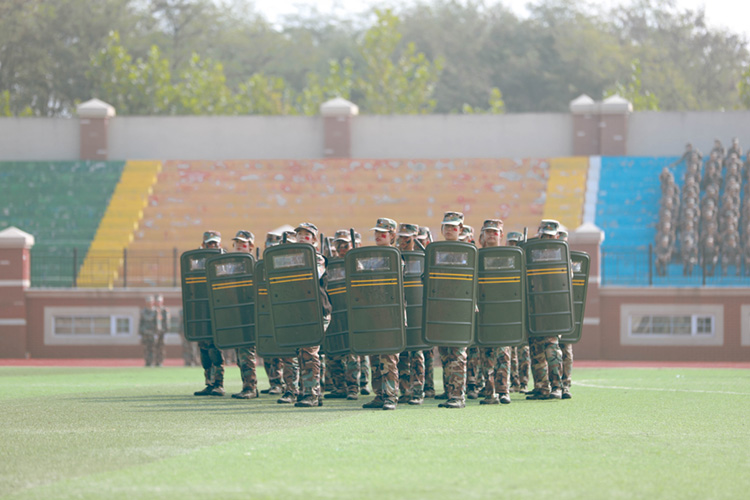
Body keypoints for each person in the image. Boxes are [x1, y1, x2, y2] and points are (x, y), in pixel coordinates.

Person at [362, 217, 401, 410]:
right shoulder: (373, 258)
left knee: (388, 356)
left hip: (390, 312)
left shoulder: (395, 256)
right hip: (374, 312)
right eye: (376, 232)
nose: (378, 236)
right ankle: (379, 394)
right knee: (375, 356)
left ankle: (391, 396)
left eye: (382, 233)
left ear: (392, 235)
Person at [292, 222, 332, 407]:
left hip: (318, 311)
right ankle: (309, 391)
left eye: (306, 234)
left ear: (314, 239)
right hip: (302, 312)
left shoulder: (317, 259)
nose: (302, 237)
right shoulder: (294, 258)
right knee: (303, 352)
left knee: (309, 350)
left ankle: (312, 394)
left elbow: (310, 276)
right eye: (299, 234)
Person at [526, 220, 564, 400]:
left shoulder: (561, 255)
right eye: (544, 236)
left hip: (553, 309)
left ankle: (557, 387)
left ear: (556, 237)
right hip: (536, 308)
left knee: (552, 349)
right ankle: (541, 387)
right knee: (536, 349)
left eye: (550, 236)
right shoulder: (532, 254)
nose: (547, 240)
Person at [476, 219, 512, 405]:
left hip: (503, 311)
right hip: (485, 310)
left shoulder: (509, 257)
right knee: (486, 354)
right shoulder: (477, 256)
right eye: (488, 231)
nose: (491, 235)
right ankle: (490, 392)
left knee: (503, 354)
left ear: (501, 235)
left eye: (495, 232)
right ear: (482, 234)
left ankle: (503, 391)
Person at [437, 211, 469, 409]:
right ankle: (451, 392)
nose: (450, 230)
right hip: (442, 308)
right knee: (445, 353)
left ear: (461, 229)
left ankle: (457, 396)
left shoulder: (467, 252)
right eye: (447, 226)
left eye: (453, 227)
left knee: (457, 353)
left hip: (459, 308)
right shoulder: (438, 252)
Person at [226, 230, 260, 399]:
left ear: (250, 246)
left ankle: (250, 388)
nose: (239, 246)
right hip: (236, 314)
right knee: (240, 355)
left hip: (249, 314)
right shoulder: (231, 267)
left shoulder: (254, 265)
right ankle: (248, 386)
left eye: (243, 243)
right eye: (237, 243)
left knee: (246, 353)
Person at [395, 222, 426, 405]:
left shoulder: (421, 257)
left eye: (407, 239)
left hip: (416, 307)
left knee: (416, 351)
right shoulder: (395, 256)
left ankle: (418, 391)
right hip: (401, 306)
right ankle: (405, 390)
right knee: (402, 353)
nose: (403, 242)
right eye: (401, 238)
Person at [194, 230, 226, 396]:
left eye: (215, 243)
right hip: (202, 309)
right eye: (209, 243)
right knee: (204, 350)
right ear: (203, 245)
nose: (212, 246)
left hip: (218, 309)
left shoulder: (224, 260)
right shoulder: (197, 261)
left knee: (215, 349)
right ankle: (209, 383)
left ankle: (219, 384)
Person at [138, 295, 158, 367]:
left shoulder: (156, 311)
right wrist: (139, 333)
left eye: (151, 302)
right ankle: (147, 362)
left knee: (152, 348)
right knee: (146, 348)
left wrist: (157, 333)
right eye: (148, 302)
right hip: (145, 333)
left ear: (153, 302)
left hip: (153, 333)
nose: (149, 303)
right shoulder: (143, 311)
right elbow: (141, 322)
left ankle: (152, 362)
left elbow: (157, 323)